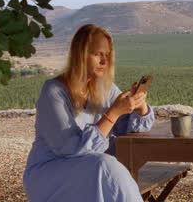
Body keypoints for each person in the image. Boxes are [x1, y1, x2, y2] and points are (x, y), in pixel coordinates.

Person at [23, 24, 155, 202]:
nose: (104, 62)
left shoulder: (104, 88)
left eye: (107, 55)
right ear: (80, 55)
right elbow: (70, 148)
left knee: (108, 166)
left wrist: (140, 107)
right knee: (105, 165)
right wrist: (113, 113)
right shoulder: (53, 91)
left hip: (88, 168)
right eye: (98, 54)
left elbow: (128, 129)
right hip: (50, 173)